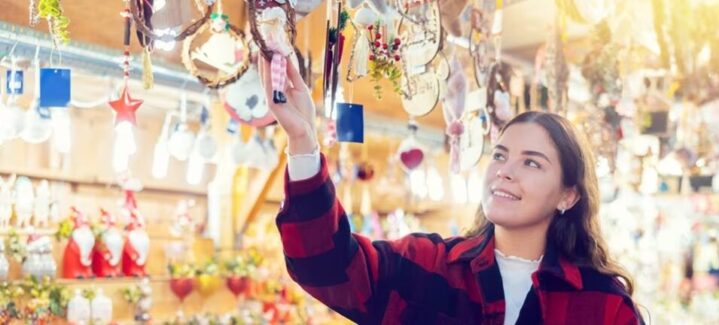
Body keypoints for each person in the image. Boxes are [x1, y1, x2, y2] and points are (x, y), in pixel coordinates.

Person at [260, 56, 644, 324]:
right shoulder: (428, 266)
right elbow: (324, 265)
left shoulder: (603, 304)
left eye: (531, 162)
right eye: (500, 155)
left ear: (568, 195)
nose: (505, 172)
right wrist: (303, 141)